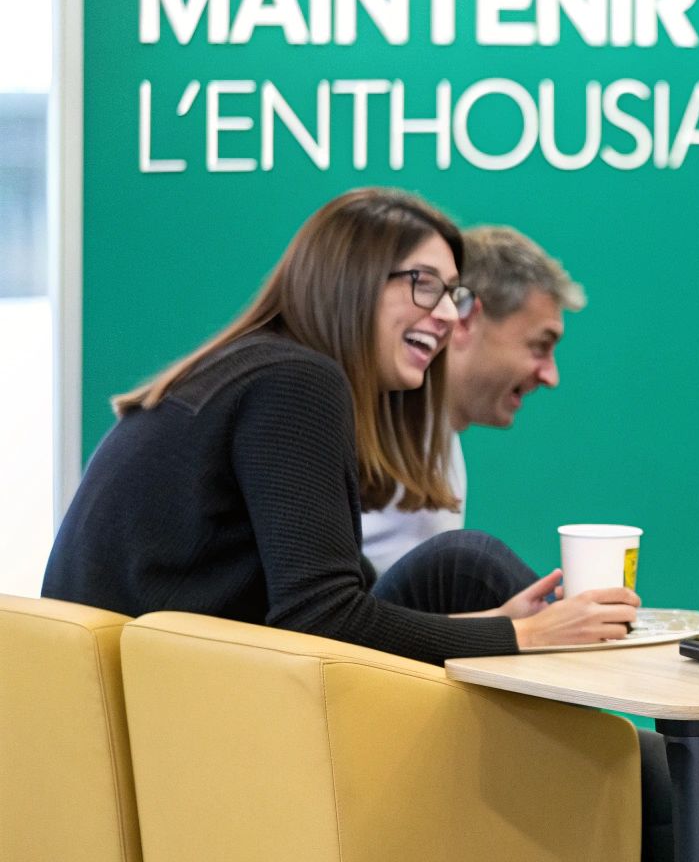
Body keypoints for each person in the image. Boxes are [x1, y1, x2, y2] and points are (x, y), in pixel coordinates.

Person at [42, 188, 638, 664]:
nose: (442, 315)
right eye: (423, 284)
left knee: (463, 569)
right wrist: (527, 638)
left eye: (452, 294)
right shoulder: (296, 382)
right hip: (197, 713)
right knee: (469, 566)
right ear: (351, 279)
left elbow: (321, 609)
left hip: (187, 686)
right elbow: (322, 619)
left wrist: (502, 626)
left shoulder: (258, 367)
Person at [362, 225, 584, 576]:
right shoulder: (355, 433)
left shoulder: (441, 437)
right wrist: (518, 630)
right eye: (540, 345)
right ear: (466, 318)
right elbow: (331, 613)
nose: (550, 377)